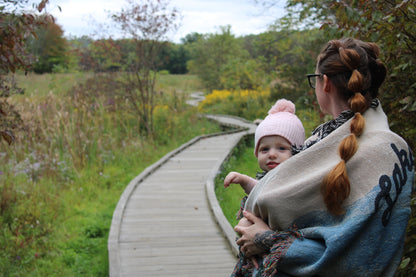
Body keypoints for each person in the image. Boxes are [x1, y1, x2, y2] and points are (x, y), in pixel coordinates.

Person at [232, 38, 415, 277]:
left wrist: (266, 239)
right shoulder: (329, 140)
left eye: (314, 80)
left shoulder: (377, 149)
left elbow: (356, 253)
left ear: (325, 83)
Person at [224, 99, 305, 195]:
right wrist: (245, 181)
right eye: (265, 149)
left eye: (282, 148)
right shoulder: (270, 179)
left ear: (297, 151)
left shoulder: (298, 181)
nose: (271, 155)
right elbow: (262, 192)